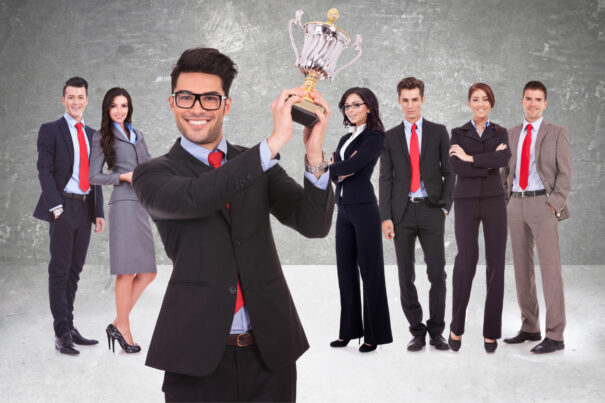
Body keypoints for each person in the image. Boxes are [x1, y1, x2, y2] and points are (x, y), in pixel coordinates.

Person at [132, 47, 334, 402]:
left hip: (271, 354)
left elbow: (313, 224)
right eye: (186, 98)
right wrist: (272, 143)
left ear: (226, 105)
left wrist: (314, 154)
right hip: (195, 359)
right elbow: (198, 196)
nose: (196, 108)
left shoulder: (257, 163)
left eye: (210, 98)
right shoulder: (152, 174)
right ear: (171, 103)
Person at [379, 77, 454, 352]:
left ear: (423, 100)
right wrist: (385, 217)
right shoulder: (390, 137)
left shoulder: (438, 132)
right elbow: (385, 178)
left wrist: (445, 205)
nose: (410, 105)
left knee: (437, 273)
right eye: (405, 100)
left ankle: (436, 331)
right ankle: (417, 331)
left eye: (415, 99)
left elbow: (449, 171)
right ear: (399, 102)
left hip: (432, 209)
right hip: (402, 213)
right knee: (405, 275)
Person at [33, 77, 105, 355]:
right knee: (60, 270)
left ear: (87, 100)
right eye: (71, 97)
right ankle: (61, 332)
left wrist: (98, 211)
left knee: (75, 270)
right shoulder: (50, 130)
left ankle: (70, 326)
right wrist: (55, 206)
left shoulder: (93, 135)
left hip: (85, 208)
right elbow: (44, 169)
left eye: (80, 97)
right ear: (63, 100)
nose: (76, 102)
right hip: (62, 206)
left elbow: (95, 176)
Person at [502, 81, 572, 354]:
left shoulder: (556, 133)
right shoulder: (510, 134)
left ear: (546, 103)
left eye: (538, 99)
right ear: (522, 101)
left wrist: (554, 203)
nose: (533, 103)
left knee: (550, 269)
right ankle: (530, 327)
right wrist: (505, 200)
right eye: (528, 99)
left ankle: (555, 335)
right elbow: (503, 172)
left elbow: (566, 174)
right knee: (521, 269)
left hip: (543, 203)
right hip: (515, 204)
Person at [89, 87, 157, 354]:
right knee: (126, 270)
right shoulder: (101, 137)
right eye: (115, 106)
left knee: (149, 273)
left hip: (141, 205)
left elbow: (149, 166)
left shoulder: (138, 134)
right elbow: (94, 177)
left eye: (124, 105)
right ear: (107, 109)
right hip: (122, 204)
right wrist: (123, 177)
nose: (120, 110)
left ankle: (118, 323)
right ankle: (124, 329)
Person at [448, 82, 511, 353]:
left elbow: (503, 160)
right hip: (464, 201)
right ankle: (456, 327)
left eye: (485, 99)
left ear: (491, 103)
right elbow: (454, 165)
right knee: (466, 260)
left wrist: (471, 159)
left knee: (496, 263)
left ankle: (491, 332)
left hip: (495, 201)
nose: (481, 103)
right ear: (469, 103)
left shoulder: (501, 132)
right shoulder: (457, 132)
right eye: (476, 99)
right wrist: (486, 160)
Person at [328, 87, 393, 353]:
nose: (350, 110)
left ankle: (373, 335)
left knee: (370, 271)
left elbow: (352, 167)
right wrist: (339, 169)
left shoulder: (375, 136)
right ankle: (348, 331)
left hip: (365, 208)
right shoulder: (346, 137)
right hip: (342, 208)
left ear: (369, 107)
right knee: (345, 271)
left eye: (356, 105)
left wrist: (340, 168)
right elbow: (335, 172)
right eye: (346, 106)